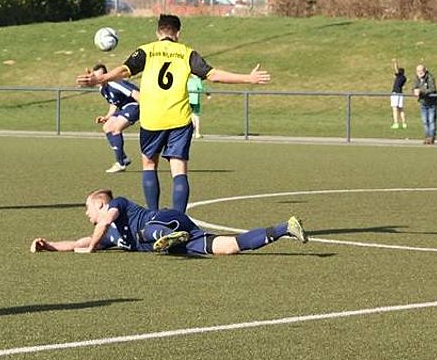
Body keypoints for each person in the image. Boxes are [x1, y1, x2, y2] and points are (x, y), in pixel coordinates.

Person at [76, 14, 270, 213]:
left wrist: (100, 79)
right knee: (179, 170)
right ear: (178, 33)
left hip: (152, 119)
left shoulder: (147, 50)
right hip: (179, 119)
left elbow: (125, 70)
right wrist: (248, 78)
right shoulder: (187, 53)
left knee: (149, 165)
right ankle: (179, 220)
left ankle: (153, 216)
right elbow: (213, 75)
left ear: (157, 33)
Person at [30, 189, 307, 256]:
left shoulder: (118, 205)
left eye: (88, 208)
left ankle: (165, 236)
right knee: (229, 247)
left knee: (145, 231)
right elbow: (79, 242)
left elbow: (102, 225)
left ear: (101, 204)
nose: (86, 214)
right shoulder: (109, 237)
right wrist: (49, 245)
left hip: (164, 220)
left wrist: (91, 247)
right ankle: (286, 227)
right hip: (181, 238)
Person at [91, 64, 140, 173]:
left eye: (100, 76)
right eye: (95, 76)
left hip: (134, 105)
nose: (98, 79)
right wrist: (107, 117)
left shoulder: (114, 83)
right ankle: (123, 158)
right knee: (107, 127)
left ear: (106, 75)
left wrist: (148, 109)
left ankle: (120, 163)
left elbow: (136, 93)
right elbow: (113, 103)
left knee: (116, 128)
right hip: (123, 108)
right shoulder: (102, 89)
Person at [413, 64, 437, 144]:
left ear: (425, 70)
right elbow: (414, 87)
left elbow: (432, 89)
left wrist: (421, 91)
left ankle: (431, 137)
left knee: (431, 120)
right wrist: (415, 91)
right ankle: (427, 137)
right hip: (423, 103)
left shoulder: (430, 77)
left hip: (431, 103)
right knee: (424, 121)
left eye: (421, 70)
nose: (420, 72)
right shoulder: (416, 78)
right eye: (418, 71)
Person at [187, 75, 209, 139]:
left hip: (188, 100)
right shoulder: (197, 80)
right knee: (196, 116)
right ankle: (197, 133)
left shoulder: (189, 80)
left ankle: (191, 132)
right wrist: (208, 94)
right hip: (195, 100)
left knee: (191, 115)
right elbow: (201, 88)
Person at [389, 59, 407, 130]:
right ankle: (404, 123)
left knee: (394, 108)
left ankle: (396, 123)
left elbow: (396, 69)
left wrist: (395, 62)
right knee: (401, 109)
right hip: (400, 93)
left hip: (395, 93)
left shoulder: (399, 76)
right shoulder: (404, 78)